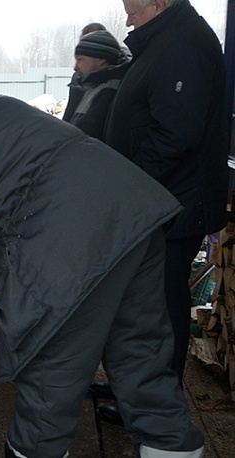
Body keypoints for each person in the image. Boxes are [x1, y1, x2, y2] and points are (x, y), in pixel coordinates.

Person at [0, 81, 204, 458]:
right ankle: (170, 443)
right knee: (140, 353)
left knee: (49, 376)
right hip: (133, 214)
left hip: (70, 250)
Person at [105, 0, 229, 383]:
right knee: (148, 301)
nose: (127, 20)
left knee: (160, 304)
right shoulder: (167, 39)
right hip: (165, 199)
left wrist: (133, 186)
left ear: (158, 4)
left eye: (132, 11)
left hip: (173, 204)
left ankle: (159, 398)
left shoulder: (182, 45)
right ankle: (140, 391)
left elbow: (175, 134)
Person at [62, 31, 128, 140]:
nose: (75, 67)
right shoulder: (91, 88)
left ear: (101, 60)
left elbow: (85, 134)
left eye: (80, 59)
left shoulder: (109, 90)